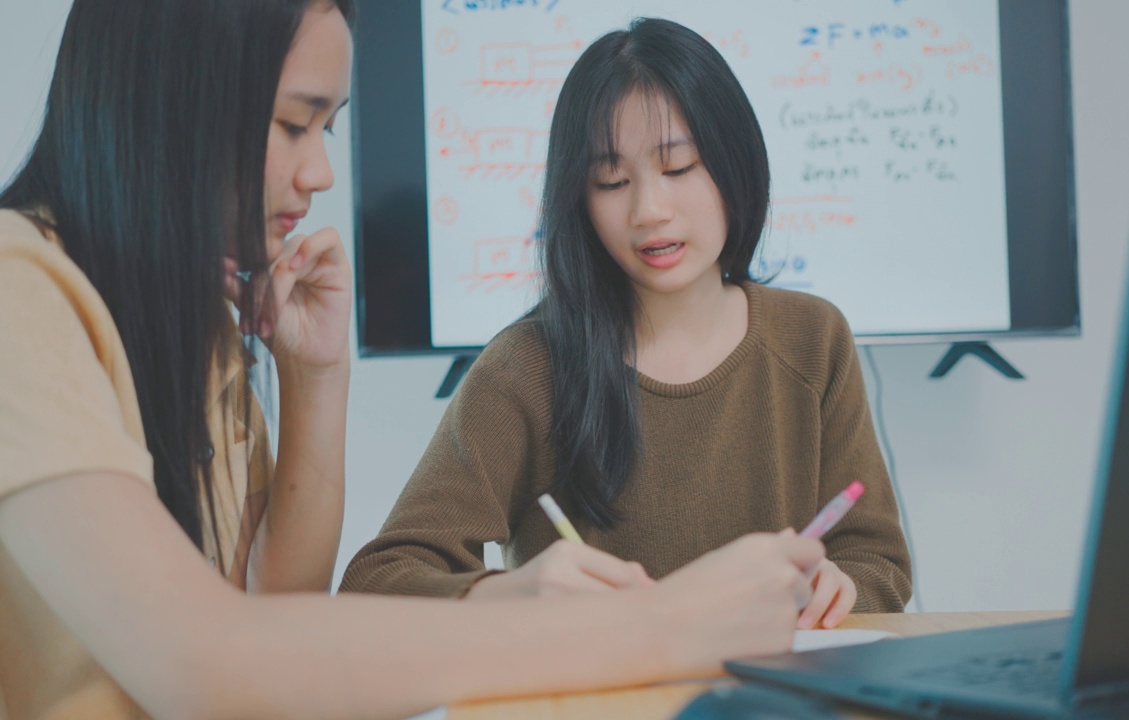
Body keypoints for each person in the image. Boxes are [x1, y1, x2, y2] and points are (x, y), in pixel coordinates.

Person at [0, 2, 826, 717]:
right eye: (294, 123)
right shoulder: (17, 290)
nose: (321, 171)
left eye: (329, 127)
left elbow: (278, 623)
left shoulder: (188, 320)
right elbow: (202, 663)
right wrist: (652, 628)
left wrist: (316, 378)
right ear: (166, 99)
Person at [341, 17, 913, 626]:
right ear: (578, 199)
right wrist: (509, 595)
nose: (649, 211)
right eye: (610, 180)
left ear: (735, 164)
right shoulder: (527, 366)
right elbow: (377, 581)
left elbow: (875, 560)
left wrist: (840, 585)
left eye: (679, 168)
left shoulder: (813, 340)